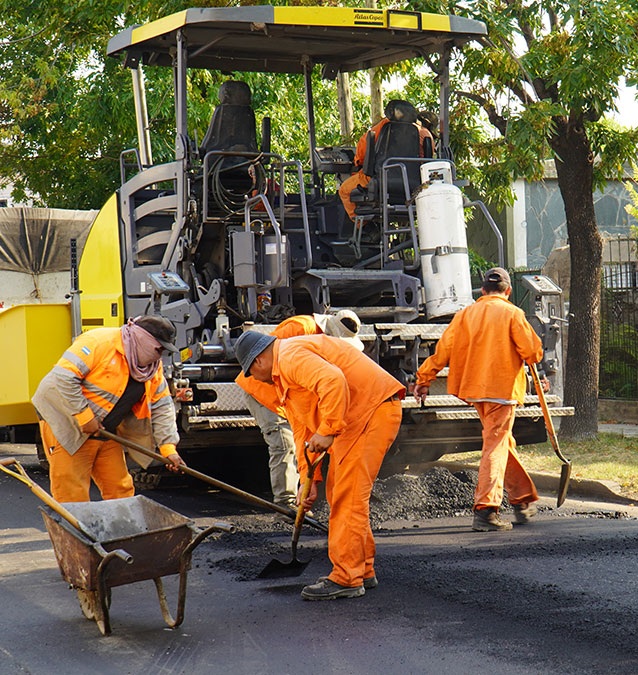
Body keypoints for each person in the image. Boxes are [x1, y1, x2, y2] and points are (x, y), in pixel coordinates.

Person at [234, 329, 405, 600]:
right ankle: (362, 569)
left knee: (348, 499)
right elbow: (302, 430)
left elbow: (333, 380)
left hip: (369, 413)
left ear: (258, 362)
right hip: (358, 418)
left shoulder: (289, 357)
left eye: (251, 374)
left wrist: (327, 429)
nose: (255, 380)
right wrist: (308, 480)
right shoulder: (283, 373)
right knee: (339, 494)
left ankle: (347, 577)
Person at [413, 267, 547, 532]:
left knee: (501, 442)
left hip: (475, 390)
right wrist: (536, 361)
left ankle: (522, 499)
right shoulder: (512, 313)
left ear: (483, 291)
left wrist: (424, 378)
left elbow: (443, 351)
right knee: (496, 445)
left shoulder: (465, 314)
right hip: (502, 390)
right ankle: (486, 510)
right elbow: (531, 351)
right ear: (507, 291)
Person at [32, 315, 185, 503]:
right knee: (72, 493)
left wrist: (168, 448)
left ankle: (122, 531)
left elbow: (162, 405)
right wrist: (84, 417)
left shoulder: (152, 367)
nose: (160, 355)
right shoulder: (98, 342)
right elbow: (63, 377)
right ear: (143, 339)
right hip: (67, 423)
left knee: (120, 489)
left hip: (105, 429)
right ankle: (74, 532)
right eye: (159, 348)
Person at [236, 311, 365, 510]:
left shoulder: (318, 338)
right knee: (283, 441)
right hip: (263, 390)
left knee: (301, 437)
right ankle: (285, 503)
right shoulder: (301, 328)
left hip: (288, 392)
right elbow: (267, 361)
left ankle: (302, 491)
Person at [338, 99, 435, 221]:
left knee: (344, 190)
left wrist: (357, 163)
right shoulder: (422, 133)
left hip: (380, 179)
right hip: (411, 184)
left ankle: (362, 228)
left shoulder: (383, 126)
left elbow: (362, 151)